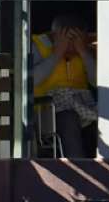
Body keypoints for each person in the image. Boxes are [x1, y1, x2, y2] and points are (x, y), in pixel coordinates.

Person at [31, 13, 97, 158]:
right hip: (47, 112)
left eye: (77, 41)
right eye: (69, 41)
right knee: (69, 119)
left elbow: (97, 81)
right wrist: (57, 53)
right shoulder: (37, 46)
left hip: (85, 109)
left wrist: (84, 52)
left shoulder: (85, 49)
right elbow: (31, 80)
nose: (72, 47)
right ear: (56, 37)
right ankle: (78, 168)